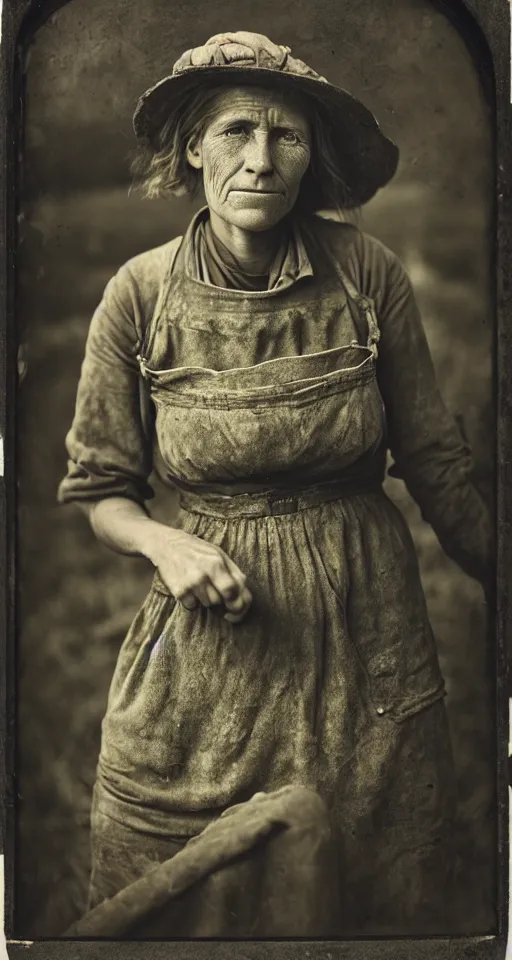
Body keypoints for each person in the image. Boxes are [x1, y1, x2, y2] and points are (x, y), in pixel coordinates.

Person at [58, 31, 492, 936]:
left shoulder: (366, 273)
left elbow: (437, 462)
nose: (260, 160)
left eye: (287, 137)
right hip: (213, 642)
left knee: (385, 886)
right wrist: (163, 542)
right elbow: (102, 490)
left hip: (367, 624)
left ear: (312, 156)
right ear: (191, 147)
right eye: (234, 131)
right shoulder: (138, 297)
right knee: (174, 887)